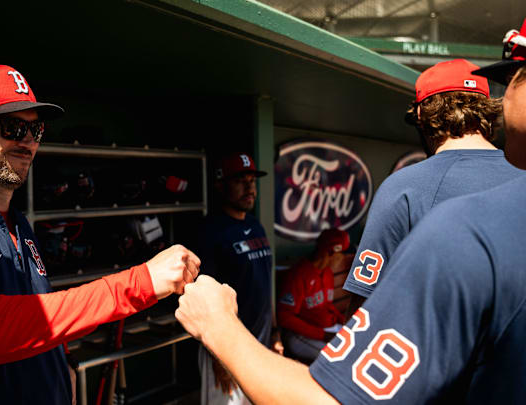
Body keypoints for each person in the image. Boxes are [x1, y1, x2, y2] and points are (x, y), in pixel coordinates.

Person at [174, 18, 526, 404]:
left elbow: (361, 319)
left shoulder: (406, 188)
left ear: (423, 117)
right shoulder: (515, 183)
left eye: (516, 75)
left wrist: (217, 326)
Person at [0, 65, 200, 405]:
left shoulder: (17, 222)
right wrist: (139, 283)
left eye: (36, 129)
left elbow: (36, 318)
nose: (28, 142)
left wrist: (60, 370)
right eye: (13, 127)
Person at [343, 58, 523, 314]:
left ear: (420, 114)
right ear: (487, 107)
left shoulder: (405, 186)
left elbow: (365, 305)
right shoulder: (521, 173)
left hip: (441, 349)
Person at [194, 153, 281, 405]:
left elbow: (265, 284)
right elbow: (205, 301)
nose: (249, 187)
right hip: (227, 350)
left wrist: (274, 333)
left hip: (259, 346)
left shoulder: (256, 225)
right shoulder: (209, 231)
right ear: (221, 185)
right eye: (240, 181)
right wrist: (218, 357)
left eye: (252, 180)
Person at [276, 229, 350, 363]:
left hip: (325, 330)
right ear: (329, 253)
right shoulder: (298, 276)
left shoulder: (327, 272)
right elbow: (285, 317)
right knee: (339, 360)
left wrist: (343, 321)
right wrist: (323, 335)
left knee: (357, 347)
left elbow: (326, 305)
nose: (343, 258)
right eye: (342, 254)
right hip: (299, 336)